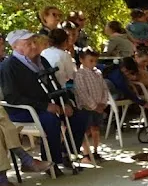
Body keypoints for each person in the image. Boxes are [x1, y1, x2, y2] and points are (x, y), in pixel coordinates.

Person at [0, 30, 88, 170]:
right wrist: (44, 106)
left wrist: (64, 102)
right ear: (15, 47)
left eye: (34, 42)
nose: (34, 46)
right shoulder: (8, 66)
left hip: (47, 104)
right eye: (28, 43)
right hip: (23, 109)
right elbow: (12, 96)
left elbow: (55, 84)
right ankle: (52, 162)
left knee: (79, 117)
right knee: (50, 119)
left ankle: (65, 153)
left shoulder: (42, 60)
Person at [73, 48, 109, 165]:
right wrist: (93, 106)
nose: (93, 63)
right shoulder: (80, 74)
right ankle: (86, 153)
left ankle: (95, 150)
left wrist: (104, 102)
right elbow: (82, 92)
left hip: (99, 105)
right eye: (91, 61)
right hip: (86, 107)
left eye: (95, 61)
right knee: (86, 130)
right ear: (82, 60)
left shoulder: (98, 73)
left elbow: (104, 88)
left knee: (96, 128)